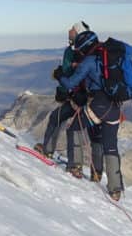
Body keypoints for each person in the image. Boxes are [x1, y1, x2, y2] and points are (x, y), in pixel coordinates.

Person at [56, 28, 125, 201]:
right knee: (110, 145)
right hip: (115, 106)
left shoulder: (89, 61)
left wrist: (59, 76)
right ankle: (115, 189)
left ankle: (75, 167)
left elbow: (71, 83)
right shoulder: (109, 59)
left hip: (99, 104)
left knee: (74, 127)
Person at [34, 21, 90, 159]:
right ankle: (96, 171)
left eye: (72, 29)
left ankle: (49, 151)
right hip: (91, 96)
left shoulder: (73, 52)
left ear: (77, 33)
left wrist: (61, 86)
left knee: (57, 118)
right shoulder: (90, 51)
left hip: (77, 96)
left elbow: (67, 73)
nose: (69, 30)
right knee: (92, 133)